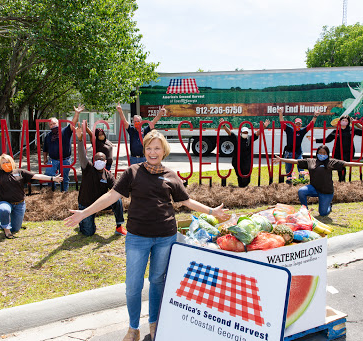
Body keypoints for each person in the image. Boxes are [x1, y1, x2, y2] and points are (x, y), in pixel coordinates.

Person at [64, 130, 229, 341]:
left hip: (165, 236)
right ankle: (133, 328)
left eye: (157, 148)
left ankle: (154, 323)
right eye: (149, 147)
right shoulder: (133, 172)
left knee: (157, 281)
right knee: (133, 285)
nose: (153, 152)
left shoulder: (170, 175)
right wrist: (84, 213)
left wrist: (212, 211)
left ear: (164, 151)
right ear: (145, 150)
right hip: (137, 237)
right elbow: (111, 196)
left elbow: (186, 201)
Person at [0, 133, 62, 238]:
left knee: (15, 228)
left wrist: (53, 178)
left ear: (12, 162)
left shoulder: (20, 172)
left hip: (19, 204)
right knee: (5, 210)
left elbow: (36, 176)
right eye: (3, 163)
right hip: (4, 202)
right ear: (0, 165)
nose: (6, 164)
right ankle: (6, 231)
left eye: (7, 162)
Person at [274, 145, 363, 216]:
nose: (322, 155)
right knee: (301, 191)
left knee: (323, 213)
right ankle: (304, 211)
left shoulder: (331, 162)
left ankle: (329, 205)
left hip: (326, 191)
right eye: (320, 153)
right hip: (314, 188)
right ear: (317, 153)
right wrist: (281, 159)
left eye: (324, 153)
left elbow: (346, 163)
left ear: (327, 154)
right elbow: (296, 161)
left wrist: (362, 165)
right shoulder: (311, 161)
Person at [75, 126, 126, 236]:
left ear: (105, 161)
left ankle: (119, 226)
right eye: (97, 159)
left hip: (100, 203)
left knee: (117, 200)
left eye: (101, 160)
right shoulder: (87, 168)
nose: (99, 161)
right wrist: (80, 139)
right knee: (88, 233)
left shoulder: (108, 175)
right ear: (93, 160)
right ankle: (83, 221)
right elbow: (82, 155)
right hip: (86, 205)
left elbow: (116, 190)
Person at [220, 118, 270, 187]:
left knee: (247, 177)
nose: (245, 134)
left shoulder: (250, 138)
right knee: (240, 176)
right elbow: (229, 132)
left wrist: (264, 127)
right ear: (241, 133)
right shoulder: (236, 138)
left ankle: (245, 187)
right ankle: (241, 188)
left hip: (247, 161)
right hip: (237, 161)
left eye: (246, 132)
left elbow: (257, 133)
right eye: (244, 132)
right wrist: (224, 125)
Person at [42, 105, 82, 191]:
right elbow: (45, 149)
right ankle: (51, 192)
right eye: (51, 124)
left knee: (64, 178)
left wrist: (77, 113)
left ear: (58, 123)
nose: (53, 125)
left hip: (65, 160)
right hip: (52, 160)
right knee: (49, 176)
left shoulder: (65, 131)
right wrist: (45, 158)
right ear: (49, 126)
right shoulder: (48, 136)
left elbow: (73, 123)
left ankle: (63, 194)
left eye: (54, 123)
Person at [315, 114, 363, 182]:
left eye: (346, 121)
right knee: (339, 165)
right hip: (337, 151)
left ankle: (343, 180)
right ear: (340, 121)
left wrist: (357, 124)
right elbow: (328, 139)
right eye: (343, 120)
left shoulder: (352, 129)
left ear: (348, 122)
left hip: (348, 151)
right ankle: (340, 181)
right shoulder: (336, 131)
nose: (344, 122)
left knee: (343, 165)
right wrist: (315, 140)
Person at [278, 107, 320, 183]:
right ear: (294, 124)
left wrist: (315, 116)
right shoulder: (290, 129)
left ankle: (301, 182)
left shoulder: (302, 131)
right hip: (289, 152)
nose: (298, 125)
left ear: (301, 125)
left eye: (299, 124)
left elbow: (310, 125)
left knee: (301, 168)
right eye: (296, 123)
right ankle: (289, 183)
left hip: (298, 152)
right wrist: (280, 114)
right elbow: (282, 123)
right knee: (288, 170)